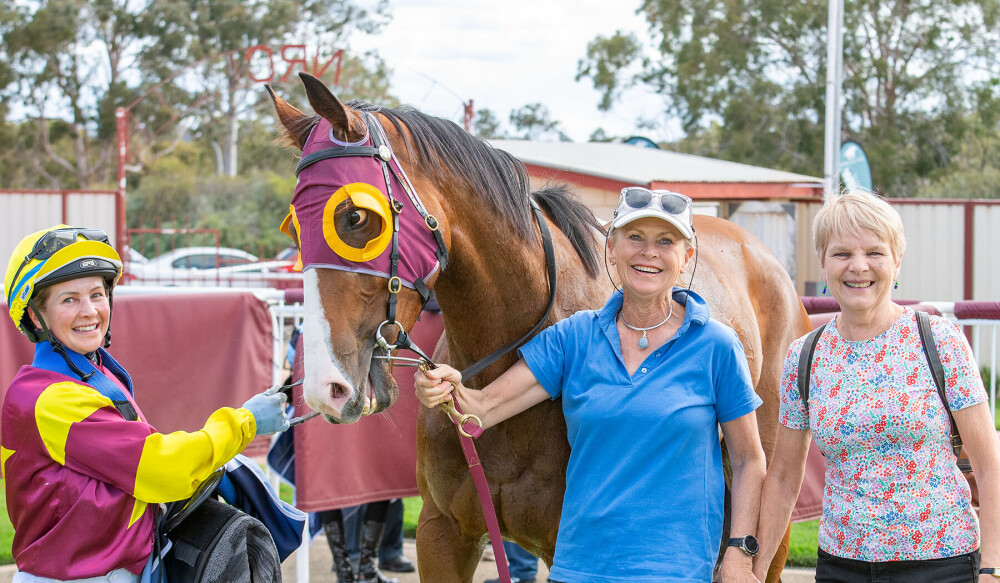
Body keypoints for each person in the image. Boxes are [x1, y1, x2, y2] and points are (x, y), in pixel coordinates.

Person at [415, 187, 767, 582]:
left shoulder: (716, 345)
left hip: (675, 570)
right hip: (579, 569)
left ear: (685, 258)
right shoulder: (574, 337)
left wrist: (739, 553)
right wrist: (443, 387)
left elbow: (749, 460)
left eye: (665, 241)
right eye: (634, 238)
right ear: (612, 248)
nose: (648, 252)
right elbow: (481, 408)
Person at [2, 225, 291, 582]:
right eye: (69, 299)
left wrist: (214, 467)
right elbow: (160, 468)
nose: (89, 310)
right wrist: (245, 422)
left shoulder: (91, 372)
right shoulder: (49, 397)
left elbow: (128, 472)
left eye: (97, 293)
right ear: (35, 316)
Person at [752, 190, 1000, 582]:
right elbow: (783, 476)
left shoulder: (940, 339)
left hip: (940, 564)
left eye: (874, 252)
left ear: (897, 261)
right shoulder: (805, 355)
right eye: (841, 253)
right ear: (823, 262)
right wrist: (757, 569)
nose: (858, 266)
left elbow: (989, 466)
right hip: (841, 566)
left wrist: (993, 568)